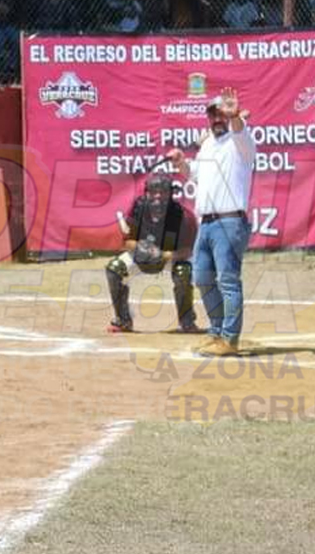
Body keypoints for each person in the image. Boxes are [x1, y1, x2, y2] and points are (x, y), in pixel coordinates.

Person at [167, 88, 256, 357]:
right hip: (205, 223)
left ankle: (230, 338)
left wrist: (235, 117)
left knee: (228, 281)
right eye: (212, 113)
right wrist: (182, 163)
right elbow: (194, 174)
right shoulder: (207, 144)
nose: (217, 118)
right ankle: (217, 332)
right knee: (203, 278)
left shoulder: (241, 139)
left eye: (221, 113)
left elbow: (239, 129)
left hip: (230, 222)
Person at [105, 175, 198, 334]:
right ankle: (123, 320)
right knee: (114, 268)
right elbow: (127, 241)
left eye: (162, 192)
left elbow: (187, 251)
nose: (158, 196)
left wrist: (163, 255)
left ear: (171, 194)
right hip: (143, 253)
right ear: (146, 193)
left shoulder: (183, 216)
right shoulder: (137, 209)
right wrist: (141, 248)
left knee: (184, 271)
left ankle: (187, 321)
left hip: (170, 255)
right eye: (153, 192)